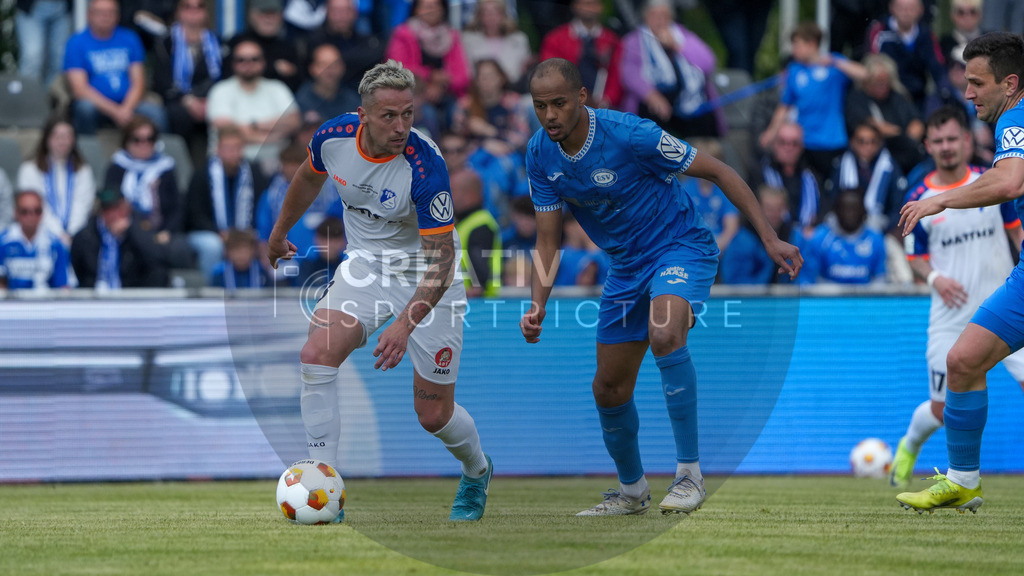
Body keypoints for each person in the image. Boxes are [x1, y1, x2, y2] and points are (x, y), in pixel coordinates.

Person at [521, 58, 802, 515]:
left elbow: (719, 171)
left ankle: (689, 476)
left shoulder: (632, 134)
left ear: (582, 98)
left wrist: (769, 237)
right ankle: (632, 492)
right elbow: (547, 237)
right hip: (625, 267)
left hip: (679, 245)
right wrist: (538, 304)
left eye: (558, 103)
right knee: (608, 389)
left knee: (665, 333)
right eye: (540, 106)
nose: (550, 115)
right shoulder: (538, 153)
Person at [266, 60, 493, 522]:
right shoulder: (333, 137)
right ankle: (323, 482)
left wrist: (404, 324)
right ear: (362, 114)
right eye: (389, 115)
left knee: (433, 416)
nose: (401, 125)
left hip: (430, 279)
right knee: (316, 354)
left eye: (408, 113)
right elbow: (308, 177)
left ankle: (477, 471)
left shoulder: (425, 166)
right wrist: (279, 231)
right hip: (367, 268)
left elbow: (443, 261)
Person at [898, 32, 1024, 513]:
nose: (968, 93)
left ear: (1009, 83)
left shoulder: (1015, 116)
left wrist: (938, 200)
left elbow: (1010, 181)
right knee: (963, 362)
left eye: (977, 83)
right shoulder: (1012, 121)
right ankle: (963, 481)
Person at [760, 22, 868, 179]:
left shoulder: (834, 66)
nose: (794, 50)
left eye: (797, 44)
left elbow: (865, 75)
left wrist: (835, 62)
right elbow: (784, 106)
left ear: (812, 43)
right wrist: (771, 132)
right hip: (805, 142)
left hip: (833, 140)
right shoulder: (794, 70)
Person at [619, 0, 724, 139]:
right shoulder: (634, 40)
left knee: (704, 117)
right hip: (654, 102)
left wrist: (677, 46)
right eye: (655, 15)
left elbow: (708, 63)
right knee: (654, 116)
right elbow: (629, 74)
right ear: (645, 17)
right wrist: (651, 95)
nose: (660, 20)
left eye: (664, 15)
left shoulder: (683, 35)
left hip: (689, 100)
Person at [63, 0, 167, 135]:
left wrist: (125, 109)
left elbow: (139, 82)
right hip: (97, 105)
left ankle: (162, 154)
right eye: (100, 13)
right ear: (89, 15)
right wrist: (115, 111)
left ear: (118, 15)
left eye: (110, 12)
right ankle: (86, 152)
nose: (105, 17)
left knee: (155, 112)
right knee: (84, 108)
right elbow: (80, 89)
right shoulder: (76, 42)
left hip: (129, 104)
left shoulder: (130, 38)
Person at [184, 124, 267, 279]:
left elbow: (262, 208)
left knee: (264, 241)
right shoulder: (201, 175)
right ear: (218, 149)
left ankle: (261, 288)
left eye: (236, 147)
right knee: (212, 246)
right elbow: (194, 215)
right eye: (227, 148)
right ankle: (212, 290)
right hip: (211, 233)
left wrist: (245, 235)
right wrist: (220, 233)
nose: (232, 153)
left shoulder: (254, 174)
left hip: (246, 233)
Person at [206, 40, 301, 166]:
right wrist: (272, 136)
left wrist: (252, 126)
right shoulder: (220, 90)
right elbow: (227, 132)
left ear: (263, 62)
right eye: (241, 59)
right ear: (233, 63)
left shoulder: (277, 88)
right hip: (232, 164)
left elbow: (294, 121)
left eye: (254, 59)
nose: (248, 64)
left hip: (276, 164)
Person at [151, 0, 222, 154]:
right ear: (178, 12)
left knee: (223, 111)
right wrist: (188, 100)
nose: (193, 11)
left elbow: (223, 77)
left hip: (211, 98)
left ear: (206, 12)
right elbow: (161, 81)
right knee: (179, 115)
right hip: (178, 99)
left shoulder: (217, 41)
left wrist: (211, 100)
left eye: (199, 6)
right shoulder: (166, 42)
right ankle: (182, 163)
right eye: (187, 6)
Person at [17, 117, 96, 244]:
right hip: (40, 236)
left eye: (67, 136)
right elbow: (35, 207)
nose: (62, 141)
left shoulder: (83, 170)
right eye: (57, 136)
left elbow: (82, 206)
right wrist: (59, 234)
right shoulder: (29, 169)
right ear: (47, 139)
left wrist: (70, 234)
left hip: (76, 237)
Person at [71, 187, 169, 289]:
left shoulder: (138, 228)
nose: (113, 214)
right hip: (96, 295)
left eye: (117, 208)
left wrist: (131, 231)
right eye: (107, 209)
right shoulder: (87, 235)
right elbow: (80, 268)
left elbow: (156, 259)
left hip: (130, 295)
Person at [539, 0, 623, 110]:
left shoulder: (612, 40)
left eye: (593, 3)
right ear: (575, 6)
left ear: (601, 6)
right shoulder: (555, 39)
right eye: (584, 3)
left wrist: (606, 100)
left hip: (603, 106)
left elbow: (617, 75)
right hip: (565, 104)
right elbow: (549, 73)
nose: (588, 7)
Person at [803, 188, 887, 284]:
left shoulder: (876, 240)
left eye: (854, 209)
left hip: (865, 297)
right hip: (827, 297)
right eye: (845, 209)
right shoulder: (819, 238)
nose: (850, 214)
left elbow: (880, 280)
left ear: (863, 211)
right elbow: (809, 280)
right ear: (836, 211)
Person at [0, 189, 71, 291]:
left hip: (46, 304)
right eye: (25, 211)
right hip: (12, 304)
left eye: (37, 211)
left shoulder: (55, 244)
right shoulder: (3, 241)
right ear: (16, 213)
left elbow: (62, 287)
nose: (31, 216)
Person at [459, 0, 532, 90]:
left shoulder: (519, 39)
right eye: (486, 13)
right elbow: (467, 72)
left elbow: (524, 72)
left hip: (514, 92)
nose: (491, 17)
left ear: (503, 14)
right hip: (479, 93)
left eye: (495, 12)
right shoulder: (467, 40)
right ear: (479, 16)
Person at [451, 167, 501, 297]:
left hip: (478, 309)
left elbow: (480, 278)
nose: (448, 197)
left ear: (469, 194)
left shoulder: (479, 225)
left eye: (452, 192)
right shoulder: (469, 222)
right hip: (474, 307)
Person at [295, 43, 361, 126]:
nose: (330, 71)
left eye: (335, 65)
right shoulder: (299, 102)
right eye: (323, 64)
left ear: (343, 67)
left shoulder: (353, 100)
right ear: (312, 68)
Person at [15, 0, 72, 86]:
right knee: (32, 56)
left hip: (62, 7)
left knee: (60, 59)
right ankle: (28, 97)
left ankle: (52, 97)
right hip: (31, 8)